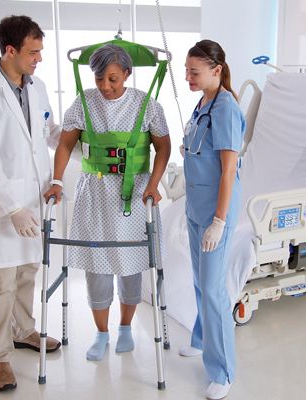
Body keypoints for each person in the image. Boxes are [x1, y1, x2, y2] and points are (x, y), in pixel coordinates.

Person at [45, 44, 170, 362]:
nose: (105, 86)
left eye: (113, 79)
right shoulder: (83, 101)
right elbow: (64, 144)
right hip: (94, 195)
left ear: (127, 74)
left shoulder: (147, 105)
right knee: (96, 269)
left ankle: (126, 328)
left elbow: (163, 148)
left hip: (134, 193)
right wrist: (57, 181)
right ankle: (101, 333)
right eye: (100, 78)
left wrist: (154, 185)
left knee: (130, 267)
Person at [0, 15, 62, 392]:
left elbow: (47, 133)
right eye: (33, 52)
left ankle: (25, 331)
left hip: (33, 200)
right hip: (5, 207)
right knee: (1, 283)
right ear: (10, 51)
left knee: (27, 273)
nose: (39, 59)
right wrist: (12, 208)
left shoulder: (37, 88)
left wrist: (74, 136)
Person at [180, 39, 246, 400]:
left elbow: (228, 170)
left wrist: (219, 221)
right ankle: (201, 338)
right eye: (187, 71)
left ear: (216, 70)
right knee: (199, 280)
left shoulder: (225, 108)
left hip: (214, 211)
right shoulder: (202, 102)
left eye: (195, 71)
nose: (188, 77)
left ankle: (223, 371)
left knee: (215, 290)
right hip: (196, 206)